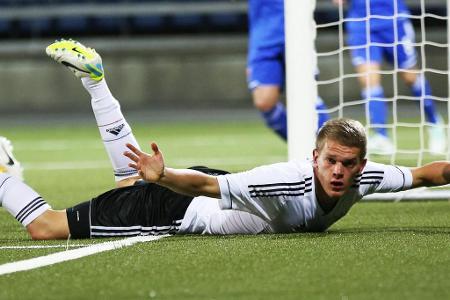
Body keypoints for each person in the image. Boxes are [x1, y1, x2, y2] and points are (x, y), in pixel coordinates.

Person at [0, 39, 449, 240]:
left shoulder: (363, 177)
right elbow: (203, 186)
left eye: (349, 164)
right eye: (331, 161)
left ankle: (97, 84)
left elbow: (426, 174)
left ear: (361, 165)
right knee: (45, 228)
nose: (339, 171)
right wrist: (166, 177)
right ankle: (2, 169)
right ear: (315, 157)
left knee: (128, 182)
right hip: (179, 206)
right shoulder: (288, 180)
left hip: (213, 195)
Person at [333, 0, 447, 154]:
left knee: (410, 77)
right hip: (362, 24)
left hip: (393, 22)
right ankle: (381, 136)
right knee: (369, 80)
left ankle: (434, 123)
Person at [247, 0, 329, 140]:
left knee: (307, 94)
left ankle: (328, 146)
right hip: (263, 35)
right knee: (264, 101)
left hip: (297, 34)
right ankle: (305, 147)